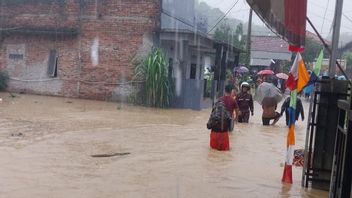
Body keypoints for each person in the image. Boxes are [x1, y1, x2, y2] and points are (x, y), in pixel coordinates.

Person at [206, 84, 239, 151]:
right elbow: (237, 110)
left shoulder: (219, 100)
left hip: (216, 125)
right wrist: (236, 118)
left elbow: (213, 113)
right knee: (230, 135)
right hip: (227, 123)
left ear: (225, 91)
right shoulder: (233, 100)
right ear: (231, 91)